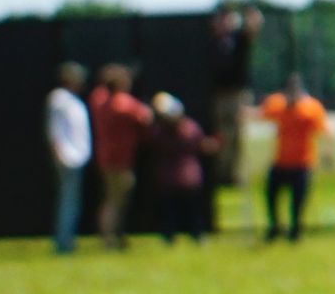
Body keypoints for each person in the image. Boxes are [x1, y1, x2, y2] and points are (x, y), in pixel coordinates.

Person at [260, 74, 332, 242]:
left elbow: (325, 130)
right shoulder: (278, 104)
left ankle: (295, 229)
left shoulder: (311, 108)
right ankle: (275, 226)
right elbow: (261, 113)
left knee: (297, 201)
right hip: (281, 161)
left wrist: (328, 152)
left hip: (302, 162)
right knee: (271, 194)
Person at [88, 64, 152, 250]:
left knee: (109, 199)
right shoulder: (122, 103)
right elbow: (145, 116)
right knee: (117, 201)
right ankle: (111, 238)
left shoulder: (98, 99)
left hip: (104, 157)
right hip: (121, 159)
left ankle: (109, 237)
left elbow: (101, 92)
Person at [208, 3, 262, 193]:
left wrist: (249, 11)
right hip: (216, 95)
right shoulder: (209, 41)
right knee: (220, 136)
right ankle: (219, 174)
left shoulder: (238, 39)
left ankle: (234, 175)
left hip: (237, 94)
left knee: (238, 135)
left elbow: (254, 27)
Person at [150, 93, 213, 244]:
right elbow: (203, 145)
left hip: (174, 175)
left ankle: (176, 236)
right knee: (185, 210)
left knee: (177, 210)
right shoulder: (189, 128)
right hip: (186, 175)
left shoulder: (161, 131)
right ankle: (193, 235)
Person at [45, 62, 92, 254]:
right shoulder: (59, 99)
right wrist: (60, 154)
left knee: (72, 202)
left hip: (77, 156)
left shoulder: (72, 100)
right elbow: (54, 130)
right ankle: (63, 244)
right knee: (68, 201)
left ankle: (67, 241)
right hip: (67, 157)